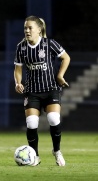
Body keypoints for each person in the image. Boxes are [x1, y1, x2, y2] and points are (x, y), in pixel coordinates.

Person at [14, 16, 70, 166]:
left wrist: (60, 75)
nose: (27, 30)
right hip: (32, 91)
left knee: (53, 119)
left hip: (51, 89)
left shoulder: (49, 44)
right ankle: (35, 156)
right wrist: (18, 82)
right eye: (25, 28)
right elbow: (18, 68)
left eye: (30, 28)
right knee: (32, 123)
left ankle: (57, 151)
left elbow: (66, 57)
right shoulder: (21, 47)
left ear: (39, 29)